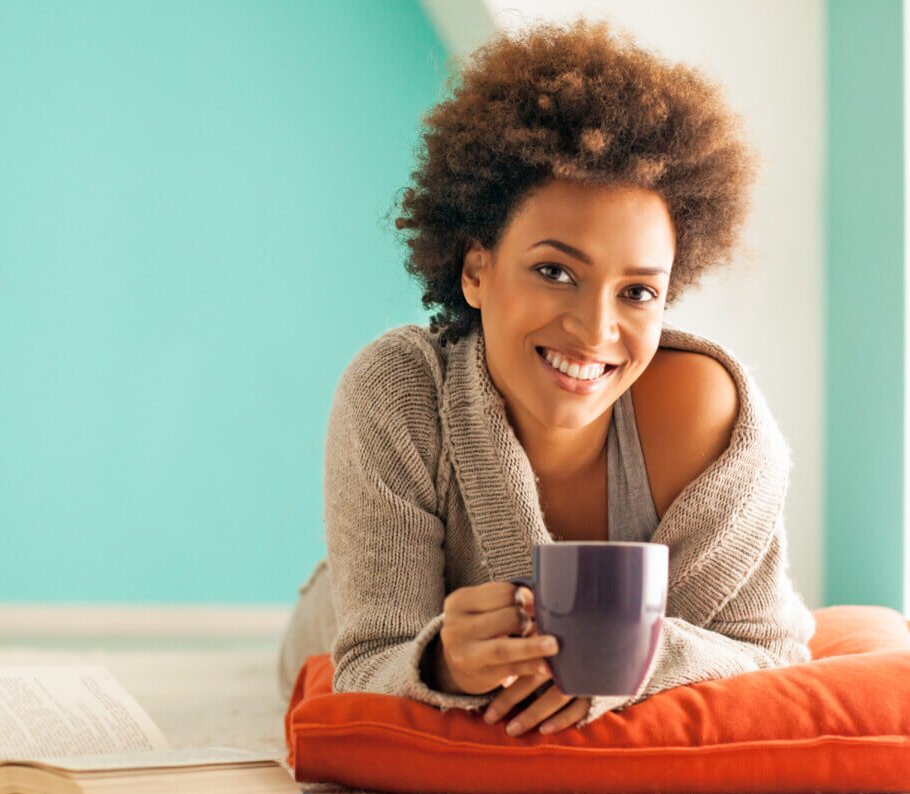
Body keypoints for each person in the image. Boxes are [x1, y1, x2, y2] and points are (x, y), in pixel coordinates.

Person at [277, 16, 814, 737]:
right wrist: (438, 663)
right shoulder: (399, 392)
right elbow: (369, 658)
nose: (596, 330)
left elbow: (775, 653)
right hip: (334, 618)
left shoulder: (706, 416)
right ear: (476, 269)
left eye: (638, 291)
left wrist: (644, 660)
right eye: (555, 271)